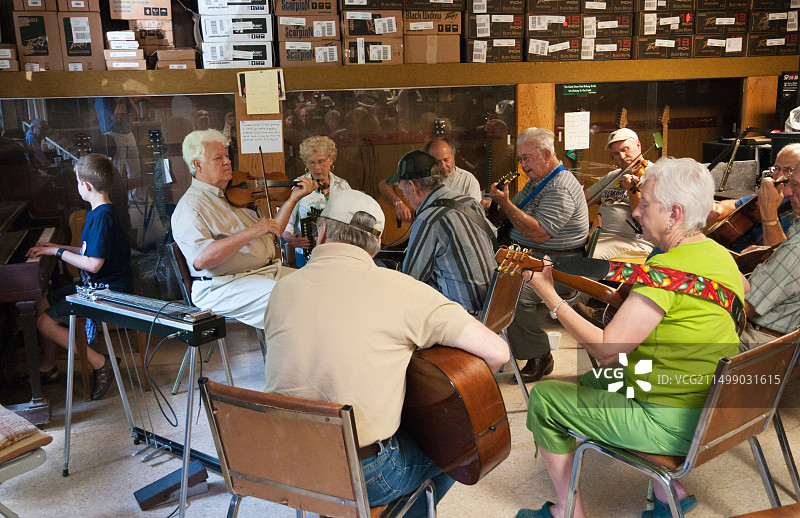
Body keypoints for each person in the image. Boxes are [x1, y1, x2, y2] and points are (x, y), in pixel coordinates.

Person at [517, 158, 744, 518]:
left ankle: (567, 511)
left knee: (545, 398)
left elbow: (607, 350)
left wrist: (550, 296)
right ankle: (671, 494)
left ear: (674, 213)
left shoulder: (664, 270)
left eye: (646, 203)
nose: (636, 211)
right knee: (597, 381)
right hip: (710, 410)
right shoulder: (720, 255)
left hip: (671, 424)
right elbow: (737, 291)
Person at [263, 189, 509, 517]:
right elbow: (498, 352)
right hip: (361, 473)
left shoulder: (281, 289)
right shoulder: (402, 290)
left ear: (321, 232)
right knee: (458, 448)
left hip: (282, 459)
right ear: (376, 244)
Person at [171, 129, 314, 329]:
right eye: (218, 158)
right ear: (197, 165)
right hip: (223, 285)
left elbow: (273, 231)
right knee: (291, 299)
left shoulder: (235, 194)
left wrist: (292, 199)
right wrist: (253, 231)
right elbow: (202, 259)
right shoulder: (190, 207)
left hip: (265, 273)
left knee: (317, 287)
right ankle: (293, 349)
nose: (227, 162)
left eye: (227, 156)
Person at [26, 154, 133, 400]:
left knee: (44, 323)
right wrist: (56, 247)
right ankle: (48, 367)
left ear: (86, 185)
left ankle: (100, 362)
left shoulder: (103, 216)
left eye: (77, 182)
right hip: (96, 285)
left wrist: (57, 252)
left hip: (108, 291)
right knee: (42, 303)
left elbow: (93, 264)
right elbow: (90, 252)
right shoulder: (100, 212)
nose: (77, 186)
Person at [487, 127, 589, 382]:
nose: (522, 165)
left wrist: (505, 204)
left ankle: (539, 355)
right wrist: (497, 205)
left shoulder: (560, 187)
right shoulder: (539, 181)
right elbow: (516, 214)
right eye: (520, 159)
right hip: (537, 256)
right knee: (488, 279)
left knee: (513, 294)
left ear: (546, 154)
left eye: (527, 158)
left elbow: (539, 233)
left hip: (560, 263)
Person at [385, 150, 495, 314]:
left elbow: (411, 280)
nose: (405, 197)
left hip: (463, 318)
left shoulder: (428, 220)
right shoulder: (470, 203)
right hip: (494, 310)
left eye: (402, 190)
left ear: (412, 186)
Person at [739, 156, 800, 350]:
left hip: (757, 343)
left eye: (796, 185)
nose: (787, 191)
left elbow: (742, 307)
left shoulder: (796, 249)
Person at [707, 143, 800, 251]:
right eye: (777, 169)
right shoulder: (771, 194)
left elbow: (781, 257)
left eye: (788, 171)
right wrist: (719, 209)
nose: (779, 177)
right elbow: (736, 204)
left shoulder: (796, 207)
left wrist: (769, 214)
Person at [584, 128, 653, 261]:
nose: (621, 156)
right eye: (616, 153)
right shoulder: (613, 176)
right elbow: (582, 199)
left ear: (638, 145)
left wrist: (632, 190)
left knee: (588, 257)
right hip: (600, 235)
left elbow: (643, 218)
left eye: (625, 149)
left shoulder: (655, 175)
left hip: (631, 242)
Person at [281, 135, 350, 267]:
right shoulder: (298, 186)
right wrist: (290, 238)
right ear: (306, 163)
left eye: (321, 161)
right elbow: (285, 223)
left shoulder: (342, 186)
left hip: (336, 252)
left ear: (331, 159)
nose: (317, 167)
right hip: (306, 254)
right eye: (312, 162)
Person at [378, 138, 483, 223]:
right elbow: (383, 184)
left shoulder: (468, 180)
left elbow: (474, 217)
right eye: (438, 162)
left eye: (446, 160)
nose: (443, 166)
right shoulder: (421, 174)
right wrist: (398, 203)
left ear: (453, 157)